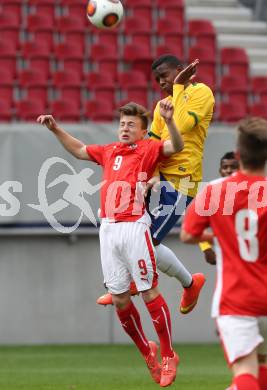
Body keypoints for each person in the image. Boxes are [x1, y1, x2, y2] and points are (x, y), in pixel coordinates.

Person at [37, 99, 183, 387]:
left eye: (131, 125)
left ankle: (168, 354)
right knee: (119, 298)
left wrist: (168, 121)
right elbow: (79, 150)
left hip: (134, 225)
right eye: (122, 124)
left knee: (149, 292)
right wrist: (56, 129)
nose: (125, 128)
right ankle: (147, 353)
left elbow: (175, 146)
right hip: (108, 228)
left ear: (143, 131)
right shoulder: (109, 151)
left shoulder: (148, 148)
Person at [98, 55, 215, 315]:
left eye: (166, 75)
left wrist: (178, 88)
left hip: (182, 181)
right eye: (158, 79)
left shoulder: (201, 92)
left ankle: (183, 283)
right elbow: (150, 146)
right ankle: (188, 283)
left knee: (146, 241)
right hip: (159, 180)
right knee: (136, 236)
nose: (162, 81)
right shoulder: (164, 105)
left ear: (181, 70)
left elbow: (182, 126)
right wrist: (143, 178)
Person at [181, 117, 267, 390]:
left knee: (245, 371)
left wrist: (220, 235)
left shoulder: (215, 192)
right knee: (262, 365)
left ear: (239, 154)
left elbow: (188, 235)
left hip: (236, 299)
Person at [199, 151, 240, 265]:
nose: (228, 170)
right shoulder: (212, 194)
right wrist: (206, 248)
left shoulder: (254, 192)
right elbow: (197, 225)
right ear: (220, 171)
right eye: (225, 167)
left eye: (233, 167)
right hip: (226, 253)